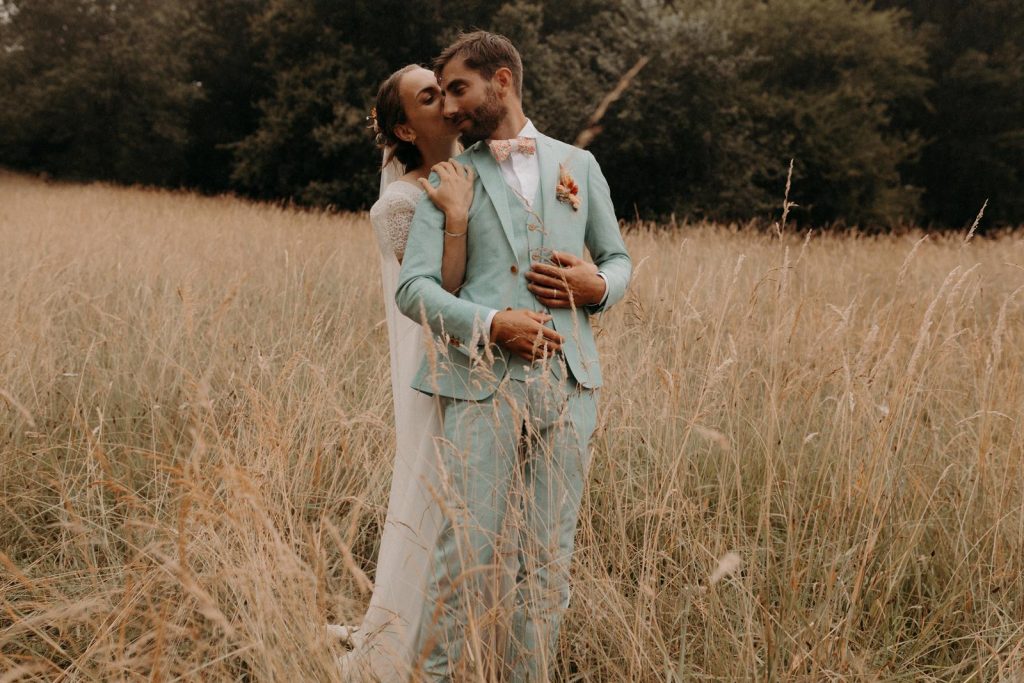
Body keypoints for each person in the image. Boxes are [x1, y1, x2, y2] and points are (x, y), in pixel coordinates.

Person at [395, 31, 632, 681]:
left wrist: (601, 286)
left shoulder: (576, 166)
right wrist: (492, 322)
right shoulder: (449, 177)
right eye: (439, 96)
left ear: (502, 80)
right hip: (480, 388)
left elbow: (618, 257)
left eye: (458, 89)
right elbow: (413, 288)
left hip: (571, 387)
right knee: (463, 559)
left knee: (546, 565)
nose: (447, 107)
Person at [332, 63, 513, 682]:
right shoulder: (401, 202)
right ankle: (409, 649)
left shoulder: (488, 164)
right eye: (429, 97)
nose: (446, 101)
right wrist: (456, 217)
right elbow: (438, 294)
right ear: (406, 128)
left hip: (500, 355)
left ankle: (483, 647)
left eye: (445, 89)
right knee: (437, 496)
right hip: (437, 361)